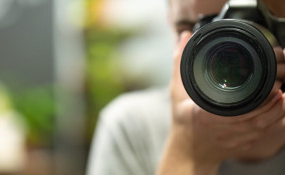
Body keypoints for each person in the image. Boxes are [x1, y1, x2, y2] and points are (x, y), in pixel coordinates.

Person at [86, 0, 285, 174]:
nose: (218, 45)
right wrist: (187, 152)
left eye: (251, 27)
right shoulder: (134, 128)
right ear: (171, 23)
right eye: (194, 28)